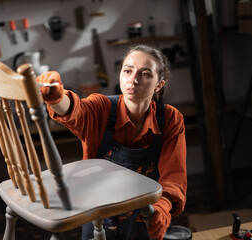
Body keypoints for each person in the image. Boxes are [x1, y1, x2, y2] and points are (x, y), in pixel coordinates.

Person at [36, 44, 187, 240]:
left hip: (144, 216)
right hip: (99, 214)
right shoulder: (102, 109)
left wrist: (163, 207)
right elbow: (76, 111)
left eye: (145, 74)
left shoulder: (170, 120)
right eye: (127, 71)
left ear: (159, 84)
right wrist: (57, 98)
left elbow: (174, 177)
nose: (133, 79)